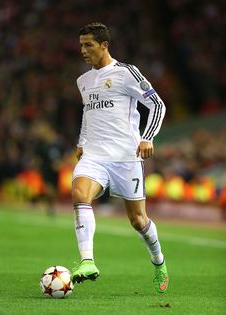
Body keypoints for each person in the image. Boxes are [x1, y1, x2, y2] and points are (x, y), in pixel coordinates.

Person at [71, 22, 168, 293]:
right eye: (81, 45)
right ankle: (87, 261)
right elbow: (87, 113)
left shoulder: (126, 73)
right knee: (80, 193)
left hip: (126, 158)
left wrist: (147, 136)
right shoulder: (84, 81)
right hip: (95, 156)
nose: (83, 50)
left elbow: (156, 104)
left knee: (138, 221)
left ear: (104, 45)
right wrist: (81, 142)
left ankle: (158, 260)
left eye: (88, 44)